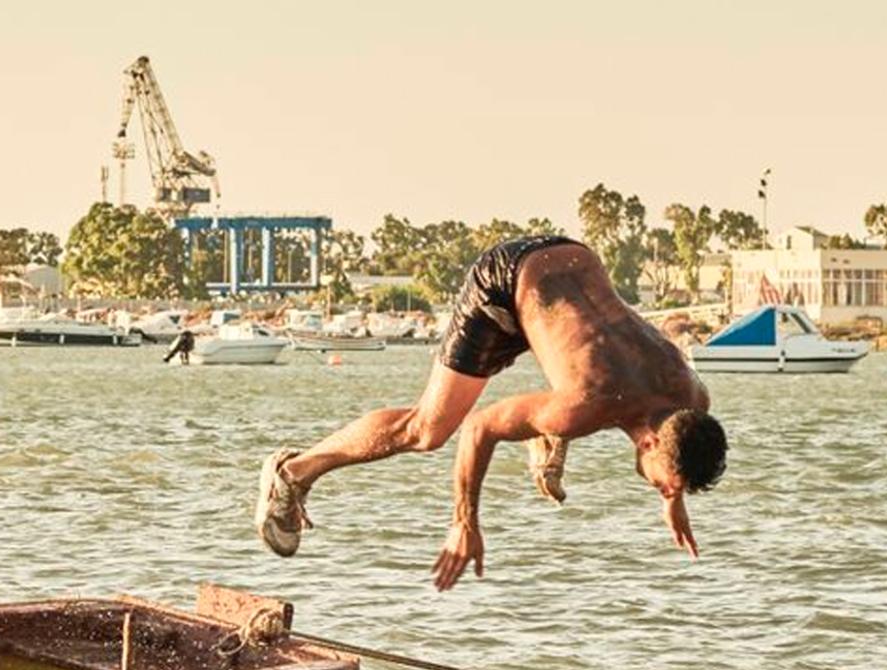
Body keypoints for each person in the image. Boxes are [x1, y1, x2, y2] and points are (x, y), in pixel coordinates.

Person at [254, 236, 726, 591]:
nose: (665, 490)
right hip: (503, 285)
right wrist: (465, 521)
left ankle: (539, 426)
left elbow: (663, 435)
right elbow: (479, 428)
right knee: (427, 430)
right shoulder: (587, 405)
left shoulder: (692, 398)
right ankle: (292, 471)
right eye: (668, 483)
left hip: (568, 262)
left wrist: (673, 496)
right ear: (650, 442)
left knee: (580, 402)